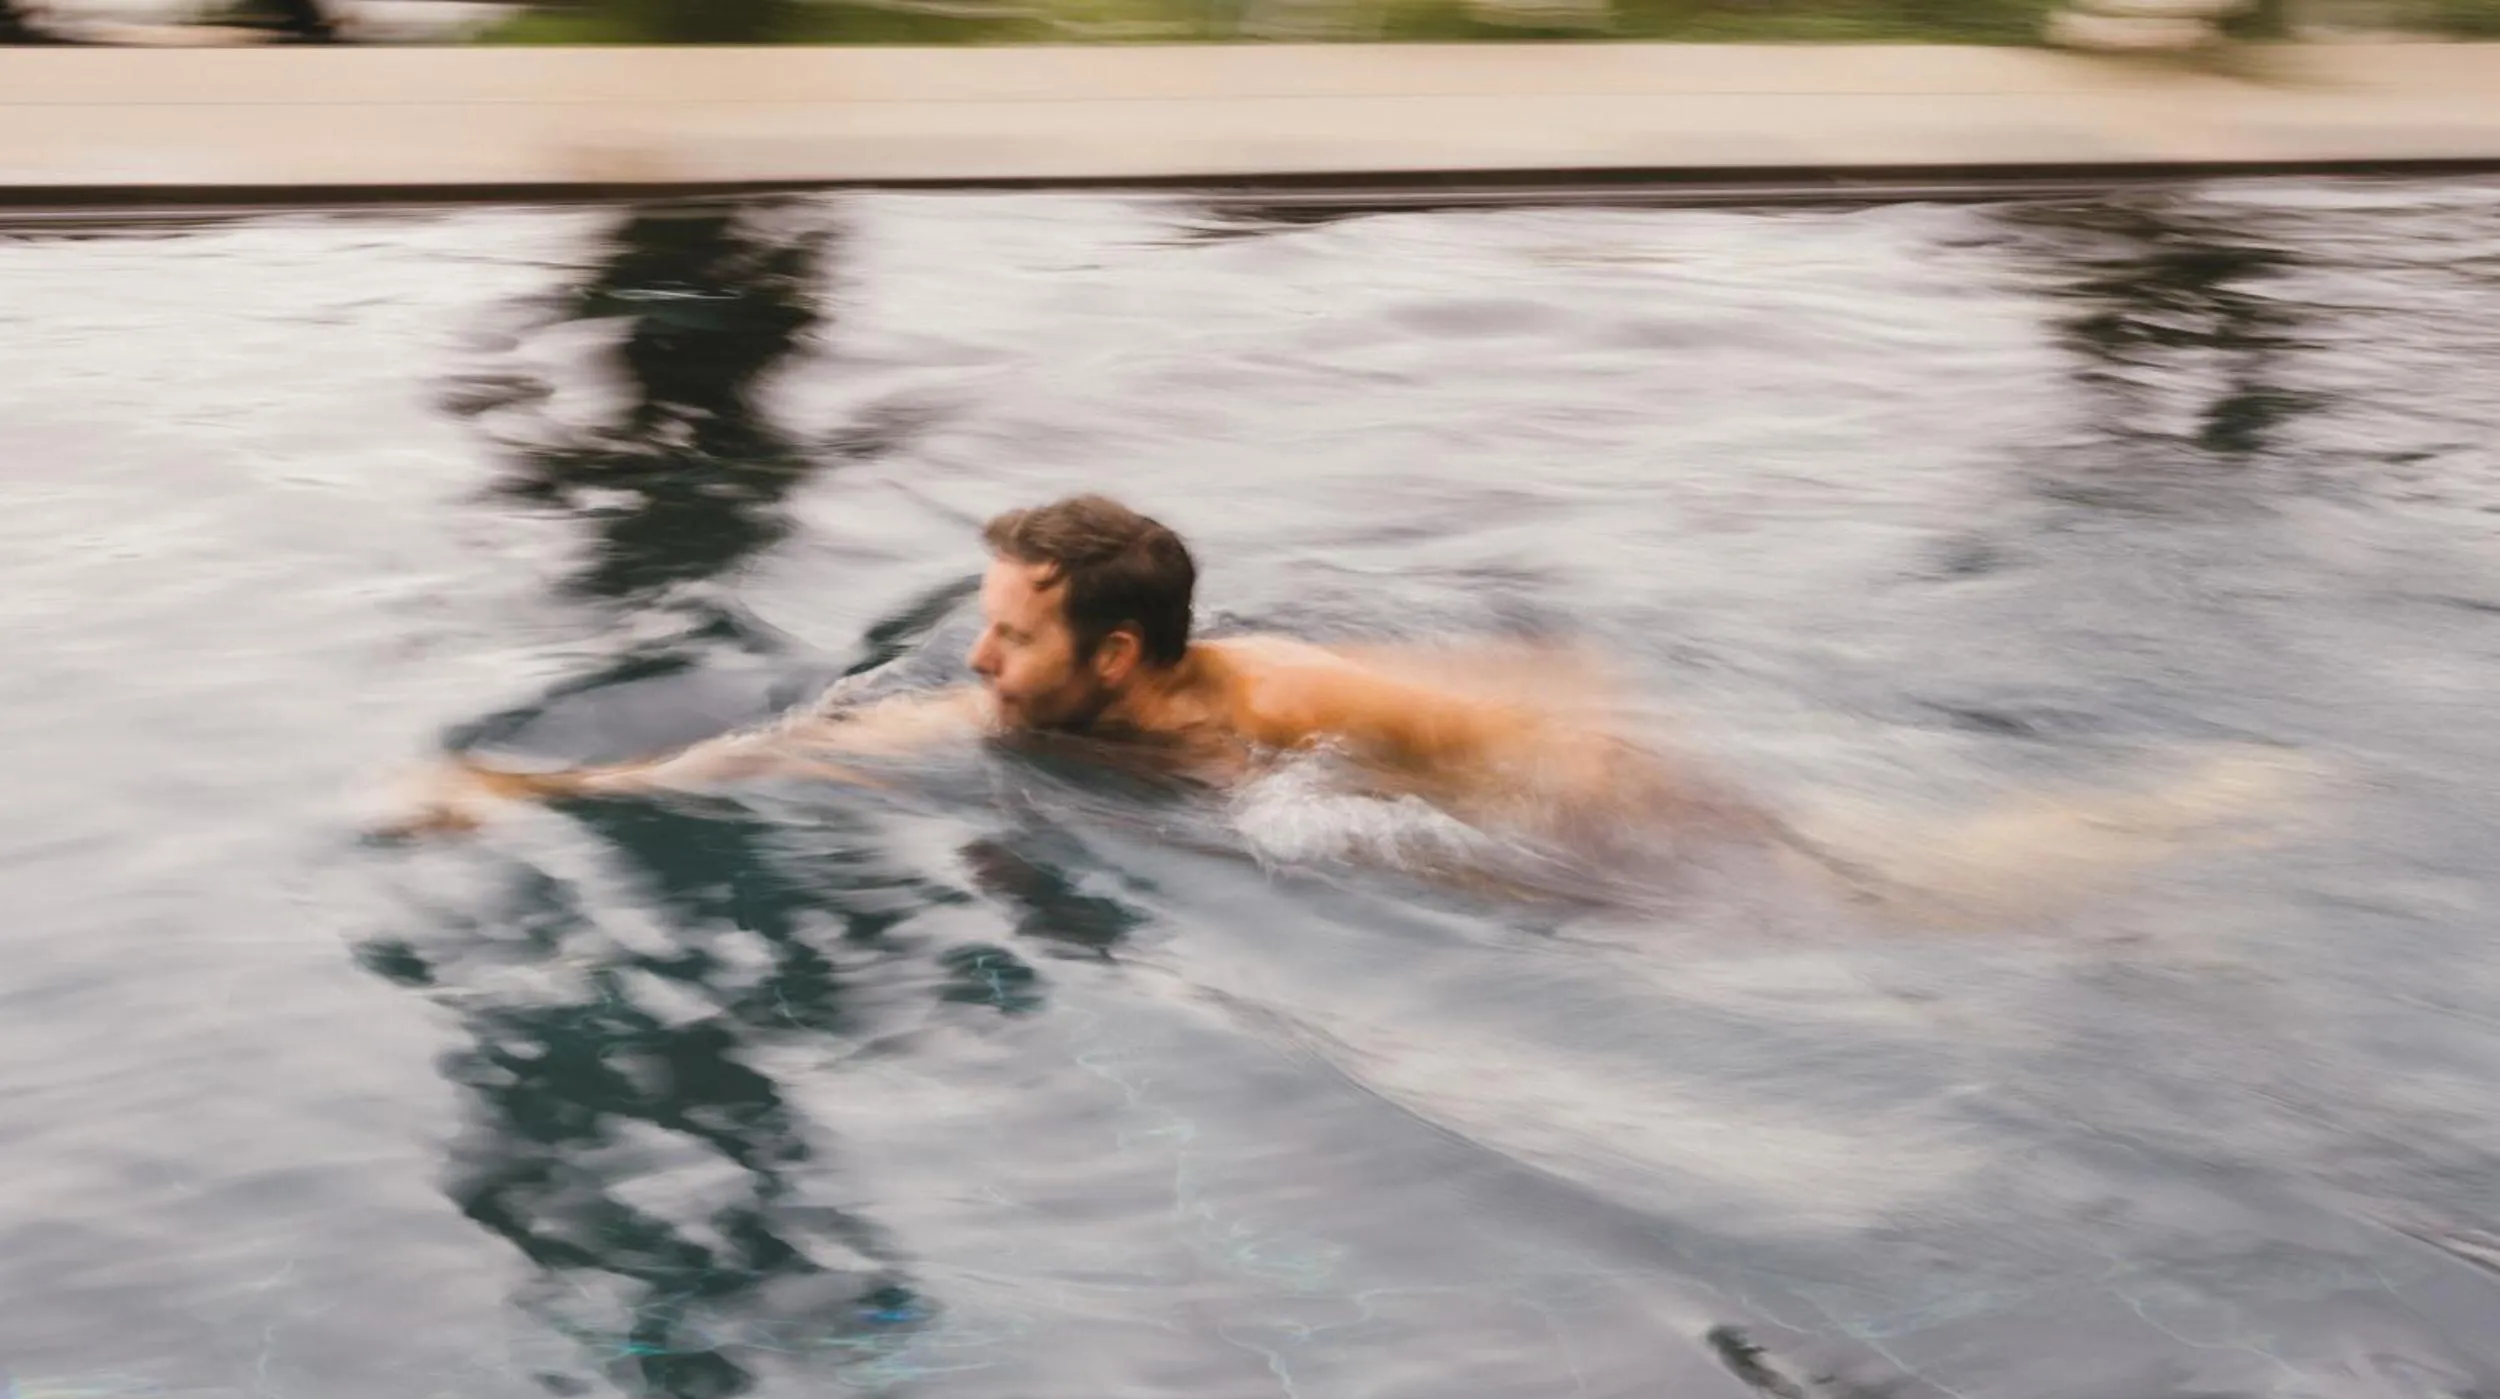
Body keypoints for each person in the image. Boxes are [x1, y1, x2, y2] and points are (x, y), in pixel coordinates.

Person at [399, 494, 1774, 849]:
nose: (977, 656)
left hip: (1629, 829)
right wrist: (530, 791)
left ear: (1114, 657)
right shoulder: (1016, 707)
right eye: (985, 624)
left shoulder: (1289, 695)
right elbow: (785, 753)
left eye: (1012, 636)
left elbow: (1559, 720)